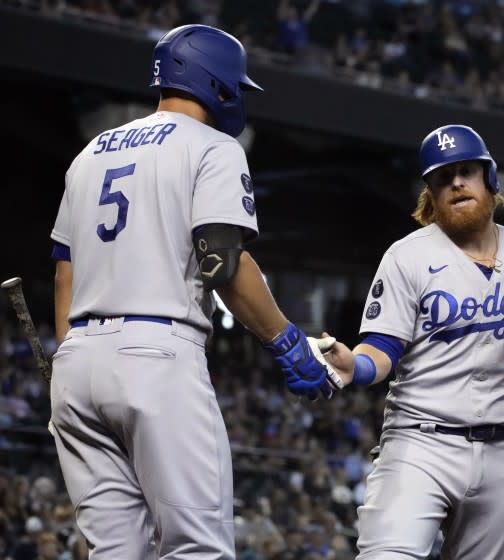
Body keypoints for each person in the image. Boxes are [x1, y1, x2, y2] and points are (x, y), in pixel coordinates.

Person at [48, 24, 333, 558]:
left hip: (77, 362)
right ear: (216, 81)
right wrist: (284, 338)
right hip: (156, 356)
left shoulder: (90, 154)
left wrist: (67, 353)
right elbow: (221, 262)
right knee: (197, 547)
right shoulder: (213, 146)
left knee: (114, 552)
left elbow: (64, 270)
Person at [324, 124, 504, 559]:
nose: (456, 182)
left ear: (490, 178)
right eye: (442, 177)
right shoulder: (408, 255)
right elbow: (382, 348)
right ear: (430, 193)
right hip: (420, 443)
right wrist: (355, 365)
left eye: (466, 171)